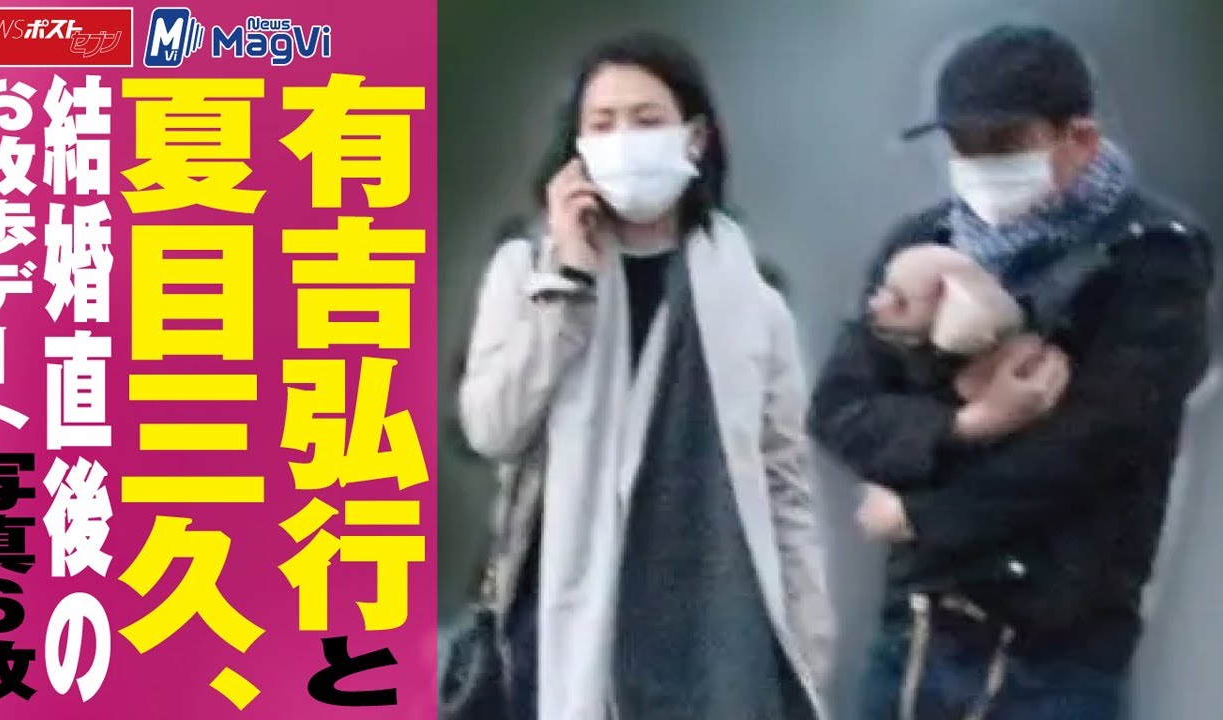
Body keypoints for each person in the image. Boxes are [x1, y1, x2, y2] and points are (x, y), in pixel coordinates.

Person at [805, 25, 1214, 720]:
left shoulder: (1155, 257)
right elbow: (841, 407)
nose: (979, 163)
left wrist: (923, 517)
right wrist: (968, 424)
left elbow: (1098, 445)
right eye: (963, 145)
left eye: (1004, 142)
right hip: (917, 636)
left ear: (1078, 139)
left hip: (1058, 653)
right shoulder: (921, 245)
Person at [459, 31, 834, 720]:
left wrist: (807, 652)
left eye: (646, 119)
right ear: (577, 149)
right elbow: (491, 429)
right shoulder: (526, 273)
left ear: (694, 138)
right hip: (561, 640)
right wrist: (568, 283)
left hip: (715, 645)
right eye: (602, 124)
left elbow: (786, 485)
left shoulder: (754, 305)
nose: (624, 140)